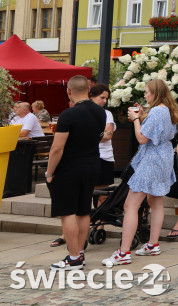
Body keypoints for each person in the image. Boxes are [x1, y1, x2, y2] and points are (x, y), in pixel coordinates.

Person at [102, 78, 178, 267]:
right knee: (156, 201)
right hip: (164, 157)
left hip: (152, 159)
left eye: (147, 92)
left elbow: (142, 138)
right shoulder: (169, 111)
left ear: (154, 93)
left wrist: (136, 119)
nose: (145, 95)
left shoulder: (156, 112)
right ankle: (153, 244)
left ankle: (123, 252)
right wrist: (143, 116)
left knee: (131, 205)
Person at [45, 75, 105, 270]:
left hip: (70, 167)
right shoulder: (100, 112)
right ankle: (79, 254)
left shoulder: (68, 115)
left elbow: (56, 149)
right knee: (83, 210)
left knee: (67, 212)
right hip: (92, 164)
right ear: (88, 89)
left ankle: (73, 257)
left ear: (69, 91)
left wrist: (49, 172)